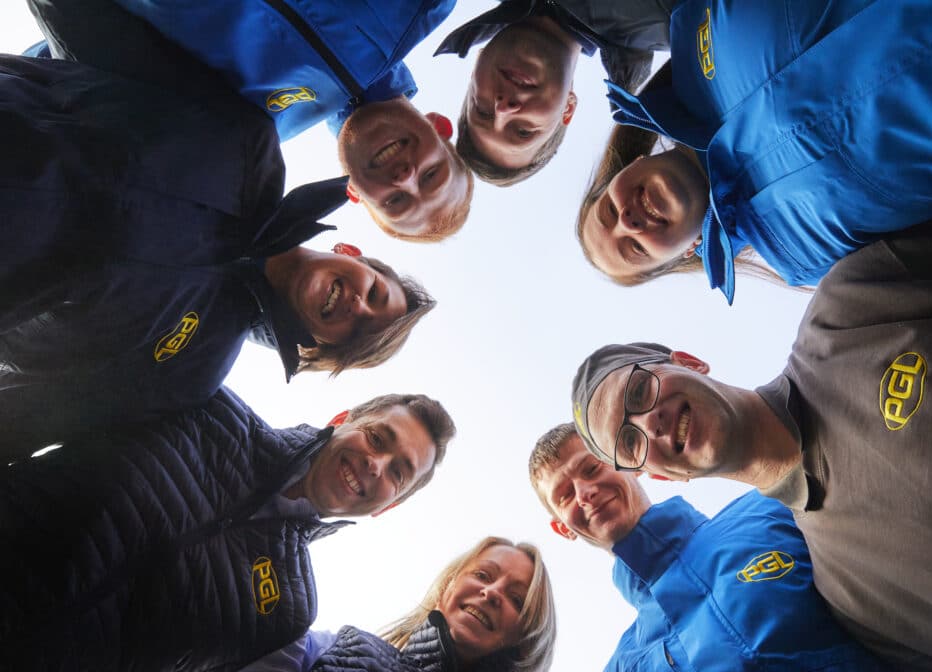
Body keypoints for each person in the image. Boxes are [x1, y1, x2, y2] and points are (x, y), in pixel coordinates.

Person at [569, 194, 932, 672]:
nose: (650, 423)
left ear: (687, 360)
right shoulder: (852, 598)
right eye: (630, 443)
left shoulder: (853, 308)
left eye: (640, 389)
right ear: (662, 475)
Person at [0, 34, 434, 460]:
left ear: (325, 343)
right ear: (351, 253)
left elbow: (40, 411)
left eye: (357, 331)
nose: (357, 306)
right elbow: (107, 42)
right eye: (375, 293)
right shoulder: (251, 142)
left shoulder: (194, 370)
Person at [577, 0, 932, 303]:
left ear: (629, 166)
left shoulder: (693, 25)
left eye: (608, 214)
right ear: (686, 251)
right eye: (635, 248)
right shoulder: (805, 260)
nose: (629, 223)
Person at [0, 388, 456, 672]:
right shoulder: (207, 408)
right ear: (342, 418)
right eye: (378, 438)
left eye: (398, 473)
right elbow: (34, 409)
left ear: (389, 505)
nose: (376, 464)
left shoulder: (288, 613)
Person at [28, 0, 473, 241]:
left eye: (396, 202)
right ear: (439, 125)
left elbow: (68, 74)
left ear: (353, 192)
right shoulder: (417, 9)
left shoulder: (236, 136)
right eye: (432, 175)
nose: (406, 177)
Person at [528, 424, 906, 672]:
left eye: (591, 469)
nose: (585, 492)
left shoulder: (770, 510)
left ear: (629, 464)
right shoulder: (625, 669)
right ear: (563, 527)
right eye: (564, 495)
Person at [223, 536, 557, 672]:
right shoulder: (337, 648)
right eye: (483, 575)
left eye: (517, 599)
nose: (492, 593)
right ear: (448, 587)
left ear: (524, 636)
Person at [433, 0, 672, 186]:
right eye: (523, 131)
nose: (503, 108)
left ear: (475, 65)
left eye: (482, 111)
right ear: (568, 108)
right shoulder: (677, 19)